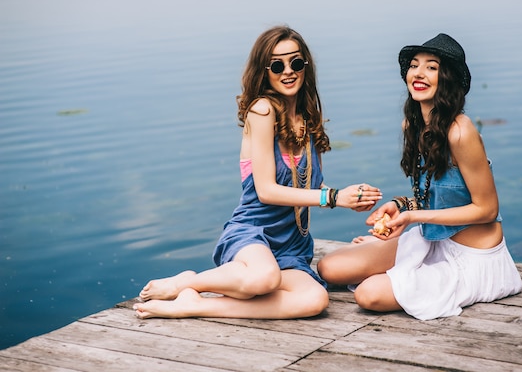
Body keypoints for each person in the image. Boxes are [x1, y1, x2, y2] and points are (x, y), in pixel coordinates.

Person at [133, 26, 382, 320]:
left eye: (296, 62)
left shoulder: (307, 117)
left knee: (314, 299)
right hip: (253, 234)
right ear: (264, 71)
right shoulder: (262, 111)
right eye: (278, 65)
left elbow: (305, 184)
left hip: (292, 245)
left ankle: (196, 305)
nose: (288, 71)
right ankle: (190, 281)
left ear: (306, 66)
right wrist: (332, 197)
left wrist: (352, 197)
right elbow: (266, 190)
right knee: (264, 279)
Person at [317, 33, 522, 320]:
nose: (419, 73)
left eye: (432, 67)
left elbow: (487, 210)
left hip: (473, 257)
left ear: (447, 78)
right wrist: (401, 206)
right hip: (433, 239)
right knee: (329, 268)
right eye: (414, 65)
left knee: (368, 294)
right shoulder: (412, 126)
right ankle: (398, 262)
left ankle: (401, 269)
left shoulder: (460, 131)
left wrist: (414, 219)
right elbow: (437, 194)